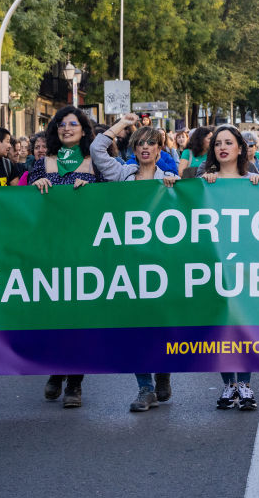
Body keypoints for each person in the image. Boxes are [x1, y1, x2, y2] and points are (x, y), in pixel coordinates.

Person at [94, 115, 176, 412]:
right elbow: (97, 151)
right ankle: (145, 388)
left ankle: (164, 370)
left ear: (159, 150)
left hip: (160, 267)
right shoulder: (122, 175)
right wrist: (121, 124)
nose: (145, 148)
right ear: (133, 147)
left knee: (160, 325)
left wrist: (174, 188)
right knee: (134, 327)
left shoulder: (169, 181)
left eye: (151, 144)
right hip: (127, 266)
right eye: (140, 143)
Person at [30, 107, 104, 408]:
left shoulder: (95, 164)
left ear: (84, 130)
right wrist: (34, 189)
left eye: (73, 124)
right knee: (53, 316)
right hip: (50, 250)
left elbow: (116, 201)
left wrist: (94, 191)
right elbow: (24, 206)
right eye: (61, 124)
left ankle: (75, 381)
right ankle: (56, 368)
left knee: (79, 318)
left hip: (85, 251)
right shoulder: (40, 164)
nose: (66, 128)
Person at [198, 126, 259, 411]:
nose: (222, 147)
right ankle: (229, 386)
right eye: (217, 144)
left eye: (229, 142)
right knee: (222, 325)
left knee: (245, 324)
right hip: (215, 264)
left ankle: (246, 386)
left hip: (247, 265)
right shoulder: (205, 182)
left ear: (240, 148)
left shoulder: (253, 180)